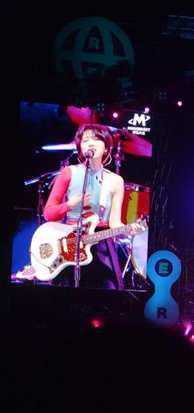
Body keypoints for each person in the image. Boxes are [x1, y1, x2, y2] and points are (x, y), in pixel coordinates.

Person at [40, 124, 141, 289]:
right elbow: (49, 214)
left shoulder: (115, 181)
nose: (90, 143)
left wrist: (128, 229)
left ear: (106, 147)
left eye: (96, 139)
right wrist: (71, 204)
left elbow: (114, 222)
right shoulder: (68, 172)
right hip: (69, 242)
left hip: (101, 245)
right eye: (85, 140)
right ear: (80, 147)